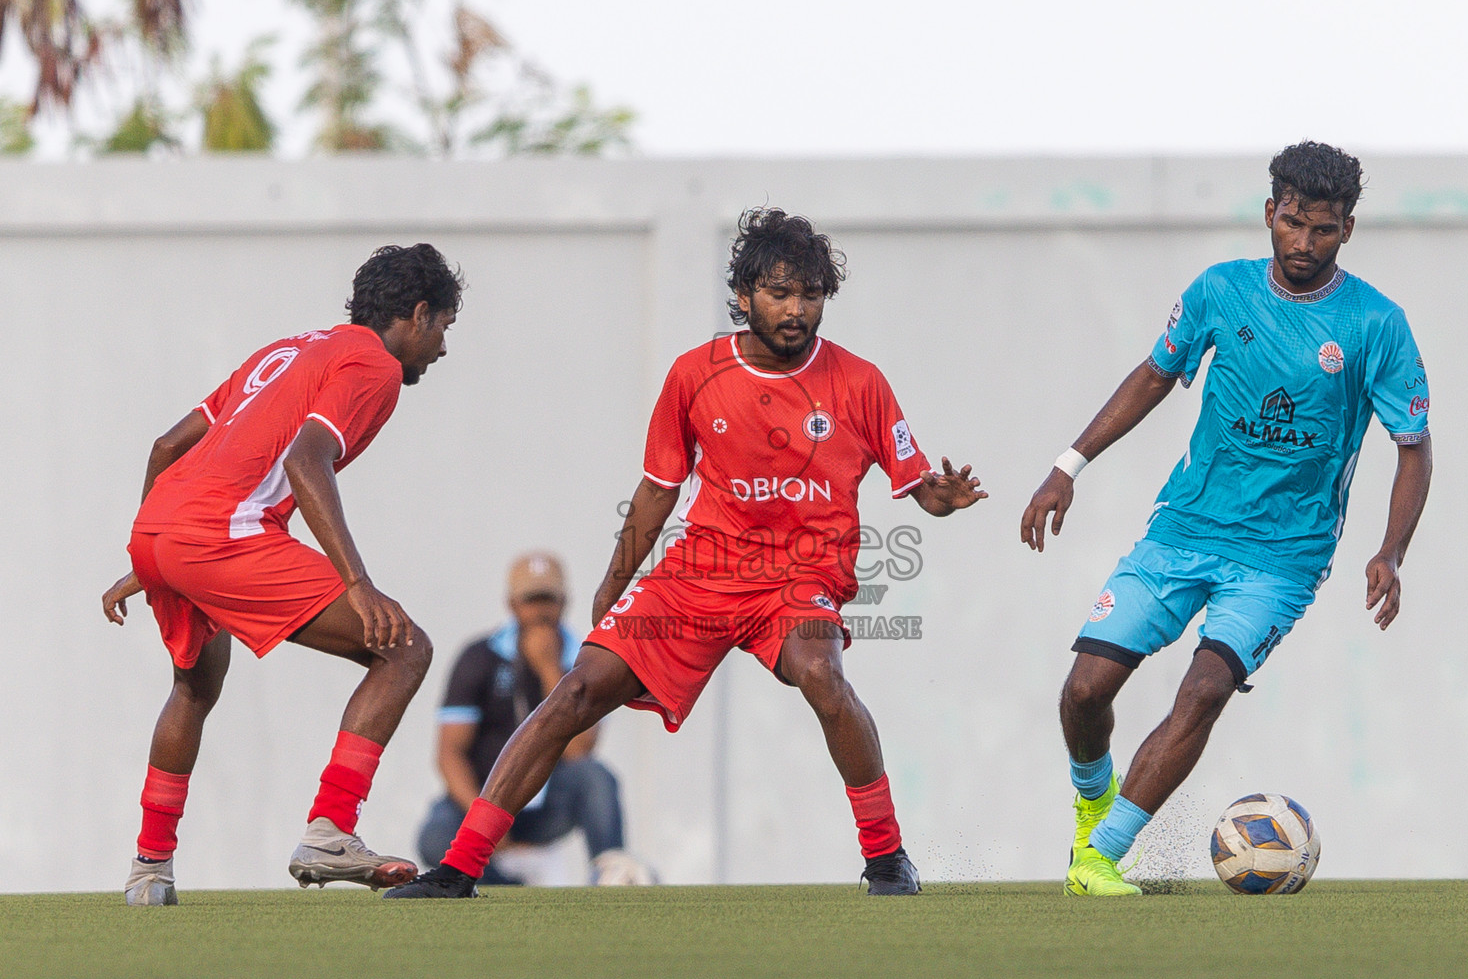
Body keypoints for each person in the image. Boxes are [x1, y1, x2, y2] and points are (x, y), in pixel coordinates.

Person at [385, 207, 987, 899]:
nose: (797, 311)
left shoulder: (860, 382)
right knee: (576, 691)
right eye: (781, 293)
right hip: (697, 574)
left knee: (822, 673)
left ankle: (886, 858)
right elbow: (656, 492)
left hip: (799, 578)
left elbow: (920, 489)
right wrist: (615, 588)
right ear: (743, 296)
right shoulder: (693, 375)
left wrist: (943, 495)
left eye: (812, 295)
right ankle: (459, 868)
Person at [1020, 141, 1433, 896]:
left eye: (1325, 230)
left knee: (1204, 690)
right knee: (1084, 692)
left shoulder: (1377, 324)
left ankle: (1100, 857)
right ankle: (1093, 803)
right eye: (1293, 223)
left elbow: (1413, 446)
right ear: (1269, 212)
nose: (1304, 243)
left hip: (1283, 557)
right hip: (1181, 531)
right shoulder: (1220, 290)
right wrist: (1067, 466)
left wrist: (1391, 550)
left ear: (1349, 230)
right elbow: (1153, 375)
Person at [102, 243, 465, 905]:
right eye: (443, 326)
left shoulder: (294, 347)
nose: (441, 347)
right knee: (405, 647)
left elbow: (167, 445)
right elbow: (307, 461)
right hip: (221, 530)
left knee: (193, 688)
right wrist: (358, 582)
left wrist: (148, 558)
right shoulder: (374, 364)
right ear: (416, 314)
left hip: (162, 525)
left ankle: (149, 870)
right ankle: (332, 831)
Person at [416, 551, 650, 885]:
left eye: (549, 600)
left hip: (547, 804)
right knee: (435, 836)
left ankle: (611, 871)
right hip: (486, 796)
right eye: (531, 601)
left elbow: (578, 751)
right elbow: (449, 754)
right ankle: (504, 887)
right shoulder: (479, 657)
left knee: (596, 777)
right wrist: (485, 822)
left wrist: (549, 669)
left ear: (565, 602)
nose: (540, 612)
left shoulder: (588, 659)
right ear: (512, 604)